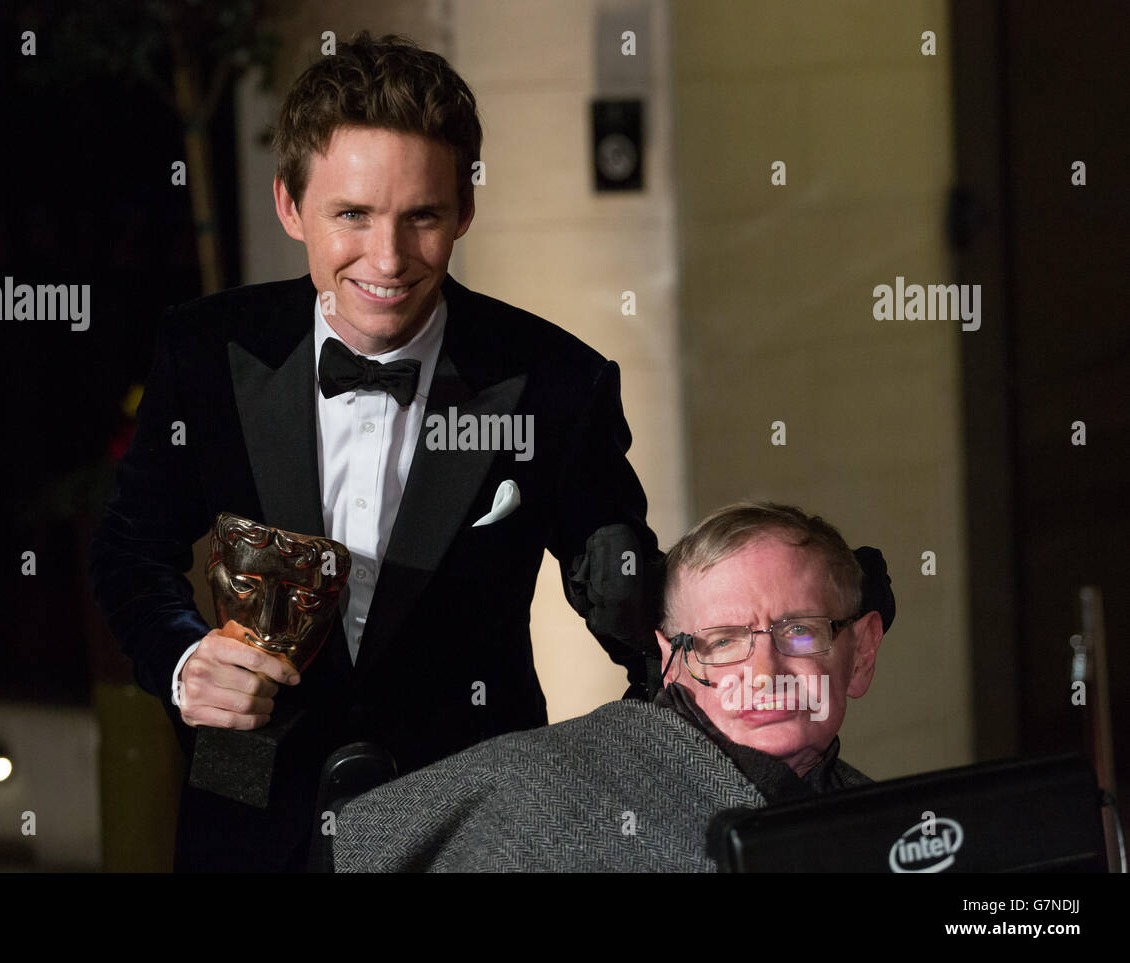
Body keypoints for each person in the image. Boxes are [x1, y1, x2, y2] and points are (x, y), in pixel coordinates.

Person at [88, 31, 661, 872]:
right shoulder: (205, 351)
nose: (387, 261)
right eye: (351, 214)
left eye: (421, 216)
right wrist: (182, 659)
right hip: (247, 815)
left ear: (464, 209)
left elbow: (627, 595)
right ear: (291, 206)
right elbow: (130, 551)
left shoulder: (556, 381)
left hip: (475, 817)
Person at [333, 502, 894, 872]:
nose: (765, 674)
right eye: (722, 642)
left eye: (800, 631)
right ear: (671, 661)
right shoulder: (539, 793)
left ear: (862, 651)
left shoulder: (909, 829)